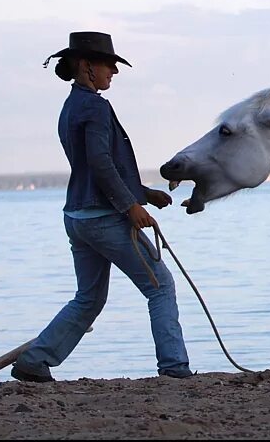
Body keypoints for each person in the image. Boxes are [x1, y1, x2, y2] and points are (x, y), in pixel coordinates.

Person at [10, 32, 193, 382]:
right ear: (86, 66)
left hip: (77, 216)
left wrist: (143, 192)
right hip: (103, 217)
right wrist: (130, 206)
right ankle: (174, 367)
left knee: (89, 298)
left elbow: (92, 166)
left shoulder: (71, 106)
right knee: (161, 287)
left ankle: (36, 360)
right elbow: (99, 162)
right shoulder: (94, 105)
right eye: (109, 65)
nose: (114, 72)